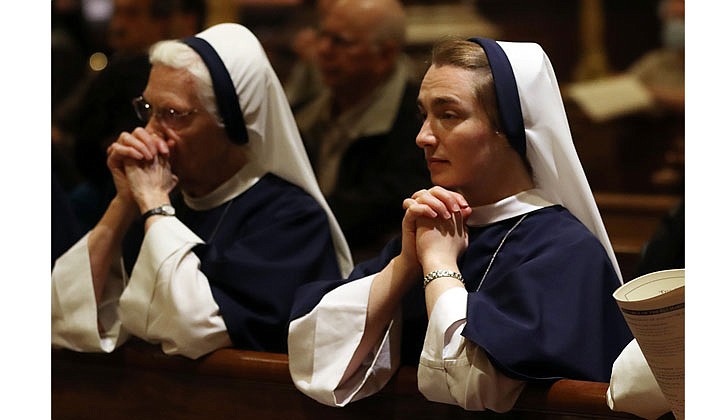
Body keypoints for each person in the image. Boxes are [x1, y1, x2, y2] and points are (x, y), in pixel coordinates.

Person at [288, 37, 633, 412]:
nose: (423, 137)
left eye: (448, 115)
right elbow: (316, 359)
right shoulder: (435, 227)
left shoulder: (563, 249)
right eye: (423, 115)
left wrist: (438, 266)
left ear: (510, 129)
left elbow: (471, 388)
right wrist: (405, 264)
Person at [51, 23, 353, 360]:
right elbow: (61, 317)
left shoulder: (291, 219)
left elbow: (189, 331)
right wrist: (123, 202)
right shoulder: (162, 204)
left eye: (173, 114)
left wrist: (153, 205)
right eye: (148, 110)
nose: (150, 132)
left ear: (233, 123)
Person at [53, 0, 208, 232]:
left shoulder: (177, 70)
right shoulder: (119, 63)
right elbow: (66, 120)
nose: (118, 25)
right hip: (102, 180)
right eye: (118, 14)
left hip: (144, 183)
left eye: (132, 15)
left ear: (165, 22)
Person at [293, 0, 431, 260]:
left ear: (385, 55)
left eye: (342, 42)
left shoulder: (419, 124)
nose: (323, 50)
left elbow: (385, 206)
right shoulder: (303, 114)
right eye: (323, 36)